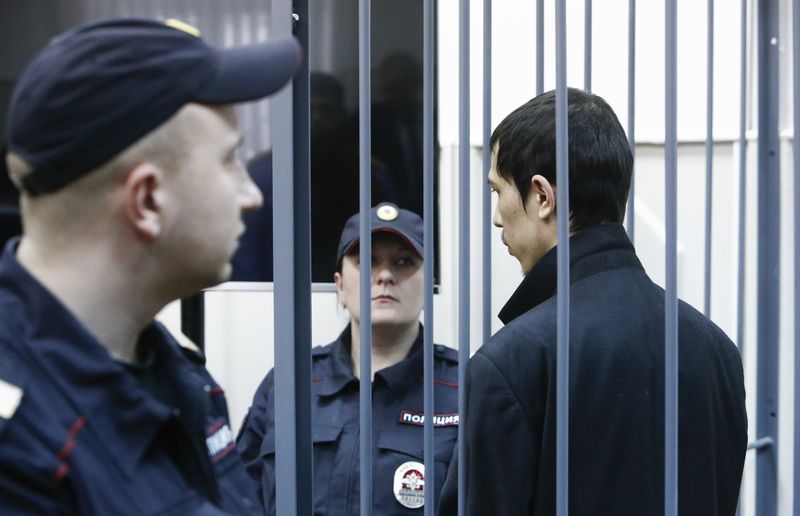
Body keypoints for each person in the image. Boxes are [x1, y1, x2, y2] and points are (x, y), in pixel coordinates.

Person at [0, 18, 300, 514]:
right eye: (229, 161)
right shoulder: (21, 453)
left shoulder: (173, 369)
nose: (252, 195)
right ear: (147, 200)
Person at [438, 88, 747, 515]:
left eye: (498, 191)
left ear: (543, 197)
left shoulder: (512, 363)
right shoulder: (716, 351)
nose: (495, 216)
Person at [237, 202, 459, 515]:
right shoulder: (290, 383)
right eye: (367, 260)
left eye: (404, 262)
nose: (384, 275)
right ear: (340, 286)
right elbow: (238, 496)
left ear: (427, 286)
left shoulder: (461, 388)